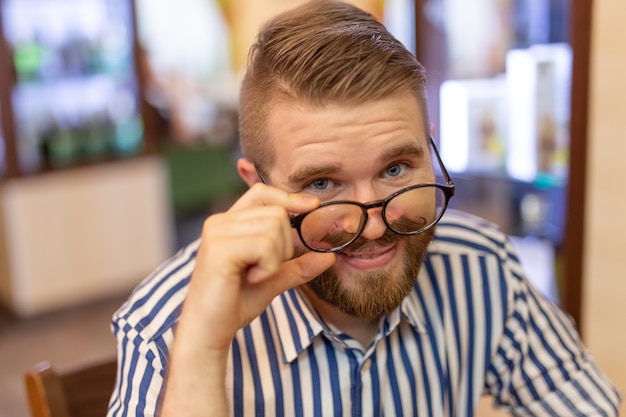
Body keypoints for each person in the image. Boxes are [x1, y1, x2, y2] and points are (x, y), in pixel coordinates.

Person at [106, 1, 622, 416]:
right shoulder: (166, 327)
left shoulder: (481, 266)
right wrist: (202, 345)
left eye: (396, 168)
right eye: (324, 182)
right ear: (255, 190)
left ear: (430, 150)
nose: (374, 223)